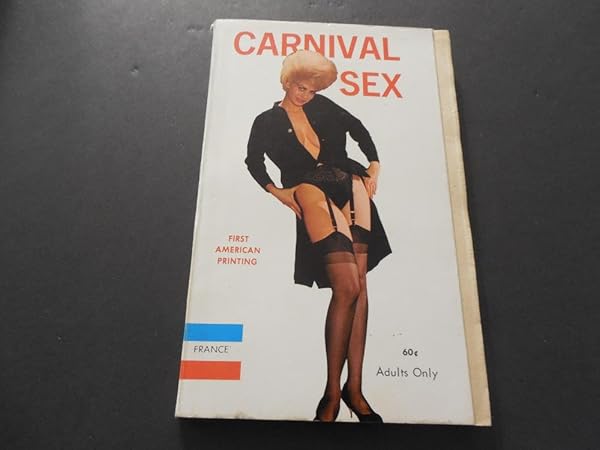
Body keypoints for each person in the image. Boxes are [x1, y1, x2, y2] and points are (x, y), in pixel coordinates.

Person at [245, 50, 391, 422]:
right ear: (287, 82)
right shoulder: (266, 121)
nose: (305, 95)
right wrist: (277, 191)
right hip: (308, 188)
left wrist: (374, 164)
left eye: (312, 90)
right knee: (347, 286)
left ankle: (355, 390)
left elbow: (358, 128)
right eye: (300, 87)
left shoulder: (323, 106)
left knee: (361, 286)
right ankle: (331, 392)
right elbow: (253, 160)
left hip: (351, 183)